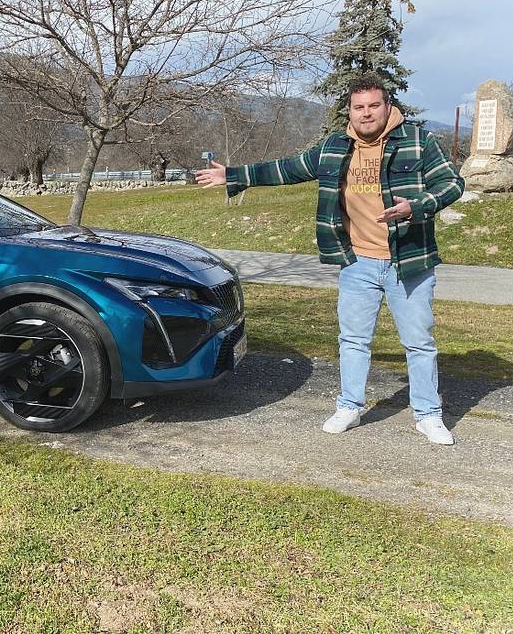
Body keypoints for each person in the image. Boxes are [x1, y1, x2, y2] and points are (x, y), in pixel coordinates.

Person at [196, 74, 465, 445]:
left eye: (374, 105)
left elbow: (452, 183)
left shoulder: (418, 140)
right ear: (350, 112)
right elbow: (287, 168)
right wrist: (233, 175)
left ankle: (428, 415)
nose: (367, 113)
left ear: (388, 106)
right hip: (357, 263)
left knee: (419, 342)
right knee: (353, 340)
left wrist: (416, 207)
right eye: (359, 107)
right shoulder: (335, 147)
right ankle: (350, 407)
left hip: (409, 262)